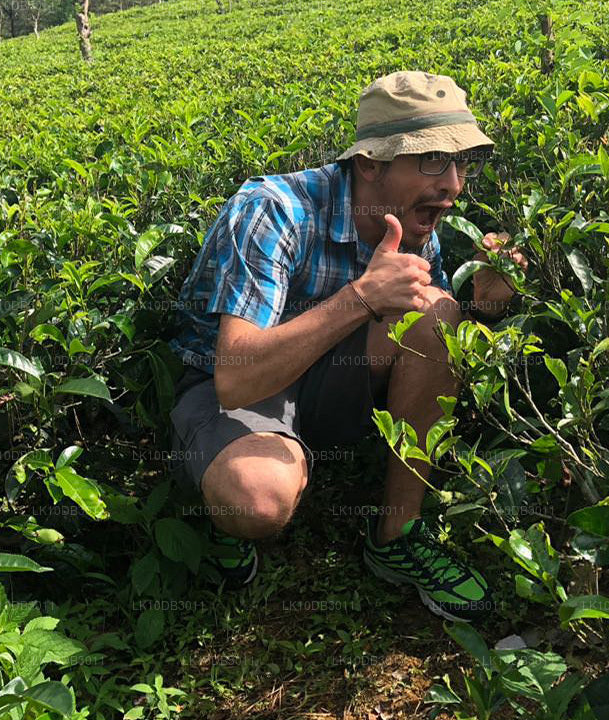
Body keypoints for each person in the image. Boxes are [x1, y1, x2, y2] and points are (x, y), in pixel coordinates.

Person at [166, 70, 528, 623]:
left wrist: (488, 304)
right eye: (432, 160)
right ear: (370, 164)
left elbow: (438, 348)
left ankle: (395, 537)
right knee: (256, 498)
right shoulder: (273, 211)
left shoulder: (425, 223)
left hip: (331, 375)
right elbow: (235, 378)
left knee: (439, 314)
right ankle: (222, 512)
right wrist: (360, 298)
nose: (453, 184)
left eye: (461, 164)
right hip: (234, 390)